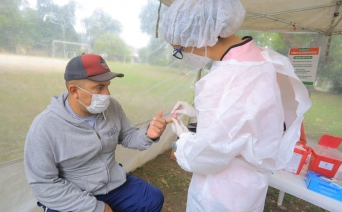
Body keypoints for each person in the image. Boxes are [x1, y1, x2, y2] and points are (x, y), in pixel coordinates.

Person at [161, 0, 312, 211]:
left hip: (224, 190)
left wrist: (185, 139)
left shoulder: (228, 77)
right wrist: (201, 114)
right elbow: (251, 118)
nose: (183, 56)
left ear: (197, 37)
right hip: (250, 184)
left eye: (179, 50)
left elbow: (207, 155)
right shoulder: (263, 59)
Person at [24, 53, 166, 212]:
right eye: (99, 87)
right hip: (73, 194)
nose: (107, 94)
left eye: (108, 85)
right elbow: (43, 184)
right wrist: (96, 208)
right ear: (74, 91)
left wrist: (148, 134)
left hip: (113, 184)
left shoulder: (112, 107)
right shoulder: (44, 128)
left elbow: (128, 136)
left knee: (153, 199)